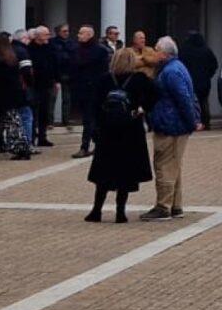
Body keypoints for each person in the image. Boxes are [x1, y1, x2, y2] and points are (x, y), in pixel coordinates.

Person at [86, 46, 154, 221]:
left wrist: (95, 126)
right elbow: (156, 94)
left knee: (103, 172)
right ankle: (120, 212)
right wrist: (142, 108)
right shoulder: (140, 79)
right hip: (130, 131)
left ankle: (96, 210)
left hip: (107, 130)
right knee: (125, 172)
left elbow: (93, 104)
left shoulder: (104, 79)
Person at [146, 34, 203, 219]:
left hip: (170, 124)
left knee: (164, 165)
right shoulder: (177, 68)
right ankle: (175, 205)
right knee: (174, 166)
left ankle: (163, 206)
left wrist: (192, 121)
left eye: (156, 49)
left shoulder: (170, 72)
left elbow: (184, 98)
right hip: (176, 122)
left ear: (164, 53)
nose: (153, 53)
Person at [0, 33, 30, 158]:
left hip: (1, 94)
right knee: (8, 120)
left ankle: (20, 147)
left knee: (9, 121)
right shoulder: (13, 57)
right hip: (13, 93)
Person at [65, 23, 109, 158]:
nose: (78, 35)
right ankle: (94, 144)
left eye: (81, 33)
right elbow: (71, 67)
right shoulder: (76, 50)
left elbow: (103, 71)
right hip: (81, 88)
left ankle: (86, 146)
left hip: (95, 89)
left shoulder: (100, 51)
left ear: (89, 35)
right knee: (88, 118)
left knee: (91, 118)